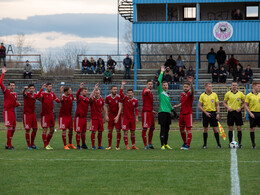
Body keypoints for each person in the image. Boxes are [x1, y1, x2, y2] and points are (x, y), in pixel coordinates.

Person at [0, 67, 21, 150]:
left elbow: (13, 104)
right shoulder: (6, 91)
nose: (12, 87)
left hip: (12, 112)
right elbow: (0, 82)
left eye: (13, 86)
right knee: (10, 128)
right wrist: (3, 73)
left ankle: (8, 144)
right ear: (8, 87)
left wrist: (17, 104)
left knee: (14, 128)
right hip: (7, 111)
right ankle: (9, 145)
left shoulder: (15, 94)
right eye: (11, 86)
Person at [198, 82, 221, 149]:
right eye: (209, 86)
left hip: (213, 113)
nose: (210, 88)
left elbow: (217, 105)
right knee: (205, 129)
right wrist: (205, 112)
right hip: (206, 113)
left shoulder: (214, 95)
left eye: (211, 86)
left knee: (215, 129)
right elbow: (199, 106)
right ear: (205, 87)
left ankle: (218, 144)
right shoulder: (202, 95)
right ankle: (205, 145)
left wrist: (218, 113)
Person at [174, 78, 194, 150]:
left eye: (187, 87)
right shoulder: (182, 94)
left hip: (188, 114)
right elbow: (182, 103)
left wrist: (191, 84)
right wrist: (177, 106)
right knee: (181, 129)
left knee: (188, 130)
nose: (185, 88)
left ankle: (188, 145)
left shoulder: (190, 93)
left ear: (189, 87)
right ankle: (185, 142)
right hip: (182, 113)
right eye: (184, 87)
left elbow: (192, 92)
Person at [223, 82, 245, 149]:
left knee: (239, 128)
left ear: (237, 86)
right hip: (231, 112)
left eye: (235, 85)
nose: (234, 86)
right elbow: (224, 103)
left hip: (238, 112)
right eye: (233, 85)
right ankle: (230, 143)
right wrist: (228, 107)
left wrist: (240, 107)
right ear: (231, 86)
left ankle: (240, 143)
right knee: (230, 128)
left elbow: (244, 103)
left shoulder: (240, 93)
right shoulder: (228, 94)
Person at [39, 82, 60, 150]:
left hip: (51, 114)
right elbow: (38, 97)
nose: (50, 88)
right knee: (45, 129)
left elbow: (58, 101)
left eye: (51, 86)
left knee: (52, 129)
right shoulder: (43, 94)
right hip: (45, 114)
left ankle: (47, 143)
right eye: (49, 86)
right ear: (46, 87)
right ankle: (46, 144)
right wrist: (41, 89)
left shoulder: (52, 94)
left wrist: (61, 92)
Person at [22, 83, 44, 150]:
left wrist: (41, 89)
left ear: (34, 89)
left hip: (32, 114)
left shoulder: (34, 95)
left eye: (32, 88)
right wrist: (24, 89)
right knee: (27, 130)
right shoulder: (27, 94)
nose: (31, 89)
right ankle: (29, 145)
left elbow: (37, 96)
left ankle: (32, 144)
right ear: (28, 89)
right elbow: (23, 93)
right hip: (27, 114)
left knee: (35, 128)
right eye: (30, 88)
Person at [158, 66, 174, 150]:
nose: (165, 86)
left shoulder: (168, 94)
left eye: (166, 85)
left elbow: (168, 104)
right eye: (164, 85)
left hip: (167, 113)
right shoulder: (160, 92)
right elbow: (159, 81)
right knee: (162, 128)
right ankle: (162, 145)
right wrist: (161, 72)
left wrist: (173, 110)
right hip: (162, 112)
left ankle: (166, 143)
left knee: (167, 129)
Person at [120, 80, 139, 150]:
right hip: (125, 118)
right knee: (126, 132)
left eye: (131, 93)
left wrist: (136, 118)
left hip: (132, 118)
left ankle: (133, 145)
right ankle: (127, 145)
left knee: (133, 132)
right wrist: (122, 85)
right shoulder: (124, 99)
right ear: (127, 94)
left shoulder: (135, 101)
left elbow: (136, 110)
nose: (130, 94)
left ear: (133, 93)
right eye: (128, 93)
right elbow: (120, 93)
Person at [104, 86, 122, 150]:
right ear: (111, 90)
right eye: (114, 89)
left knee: (118, 130)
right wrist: (106, 115)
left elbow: (120, 107)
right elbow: (106, 106)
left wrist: (117, 116)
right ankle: (109, 146)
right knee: (110, 130)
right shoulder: (108, 97)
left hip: (117, 115)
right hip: (111, 115)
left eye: (116, 89)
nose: (115, 90)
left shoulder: (119, 97)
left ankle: (117, 146)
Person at [59, 86, 76, 150]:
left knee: (71, 129)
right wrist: (60, 92)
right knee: (64, 130)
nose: (71, 91)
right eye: (70, 90)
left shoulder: (71, 95)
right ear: (66, 92)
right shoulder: (63, 96)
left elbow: (73, 99)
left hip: (69, 116)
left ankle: (70, 143)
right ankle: (65, 145)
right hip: (63, 116)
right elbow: (60, 99)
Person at [89, 83, 105, 150]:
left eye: (98, 93)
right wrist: (94, 89)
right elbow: (90, 97)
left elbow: (103, 109)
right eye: (96, 93)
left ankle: (99, 145)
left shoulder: (101, 100)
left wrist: (104, 117)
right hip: (94, 118)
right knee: (94, 131)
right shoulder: (92, 100)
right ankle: (93, 145)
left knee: (100, 131)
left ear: (99, 93)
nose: (97, 94)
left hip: (100, 118)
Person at [244, 82, 260, 149]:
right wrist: (250, 113)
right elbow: (245, 105)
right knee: (252, 128)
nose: (259, 87)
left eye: (259, 86)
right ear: (253, 86)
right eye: (258, 86)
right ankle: (253, 144)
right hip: (253, 113)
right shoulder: (249, 95)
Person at [74, 82, 89, 150]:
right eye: (85, 91)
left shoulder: (87, 99)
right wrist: (80, 88)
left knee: (83, 131)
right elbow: (77, 95)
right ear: (82, 92)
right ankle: (78, 145)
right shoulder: (79, 97)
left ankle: (83, 144)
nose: (86, 92)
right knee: (78, 131)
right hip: (79, 117)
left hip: (84, 118)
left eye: (86, 91)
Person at [142, 80, 156, 150]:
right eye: (149, 84)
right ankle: (145, 145)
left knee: (153, 127)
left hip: (150, 111)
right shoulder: (146, 90)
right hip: (146, 112)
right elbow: (145, 92)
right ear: (147, 85)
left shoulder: (151, 93)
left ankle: (150, 143)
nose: (150, 85)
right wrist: (147, 91)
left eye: (151, 84)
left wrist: (152, 110)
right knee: (145, 128)